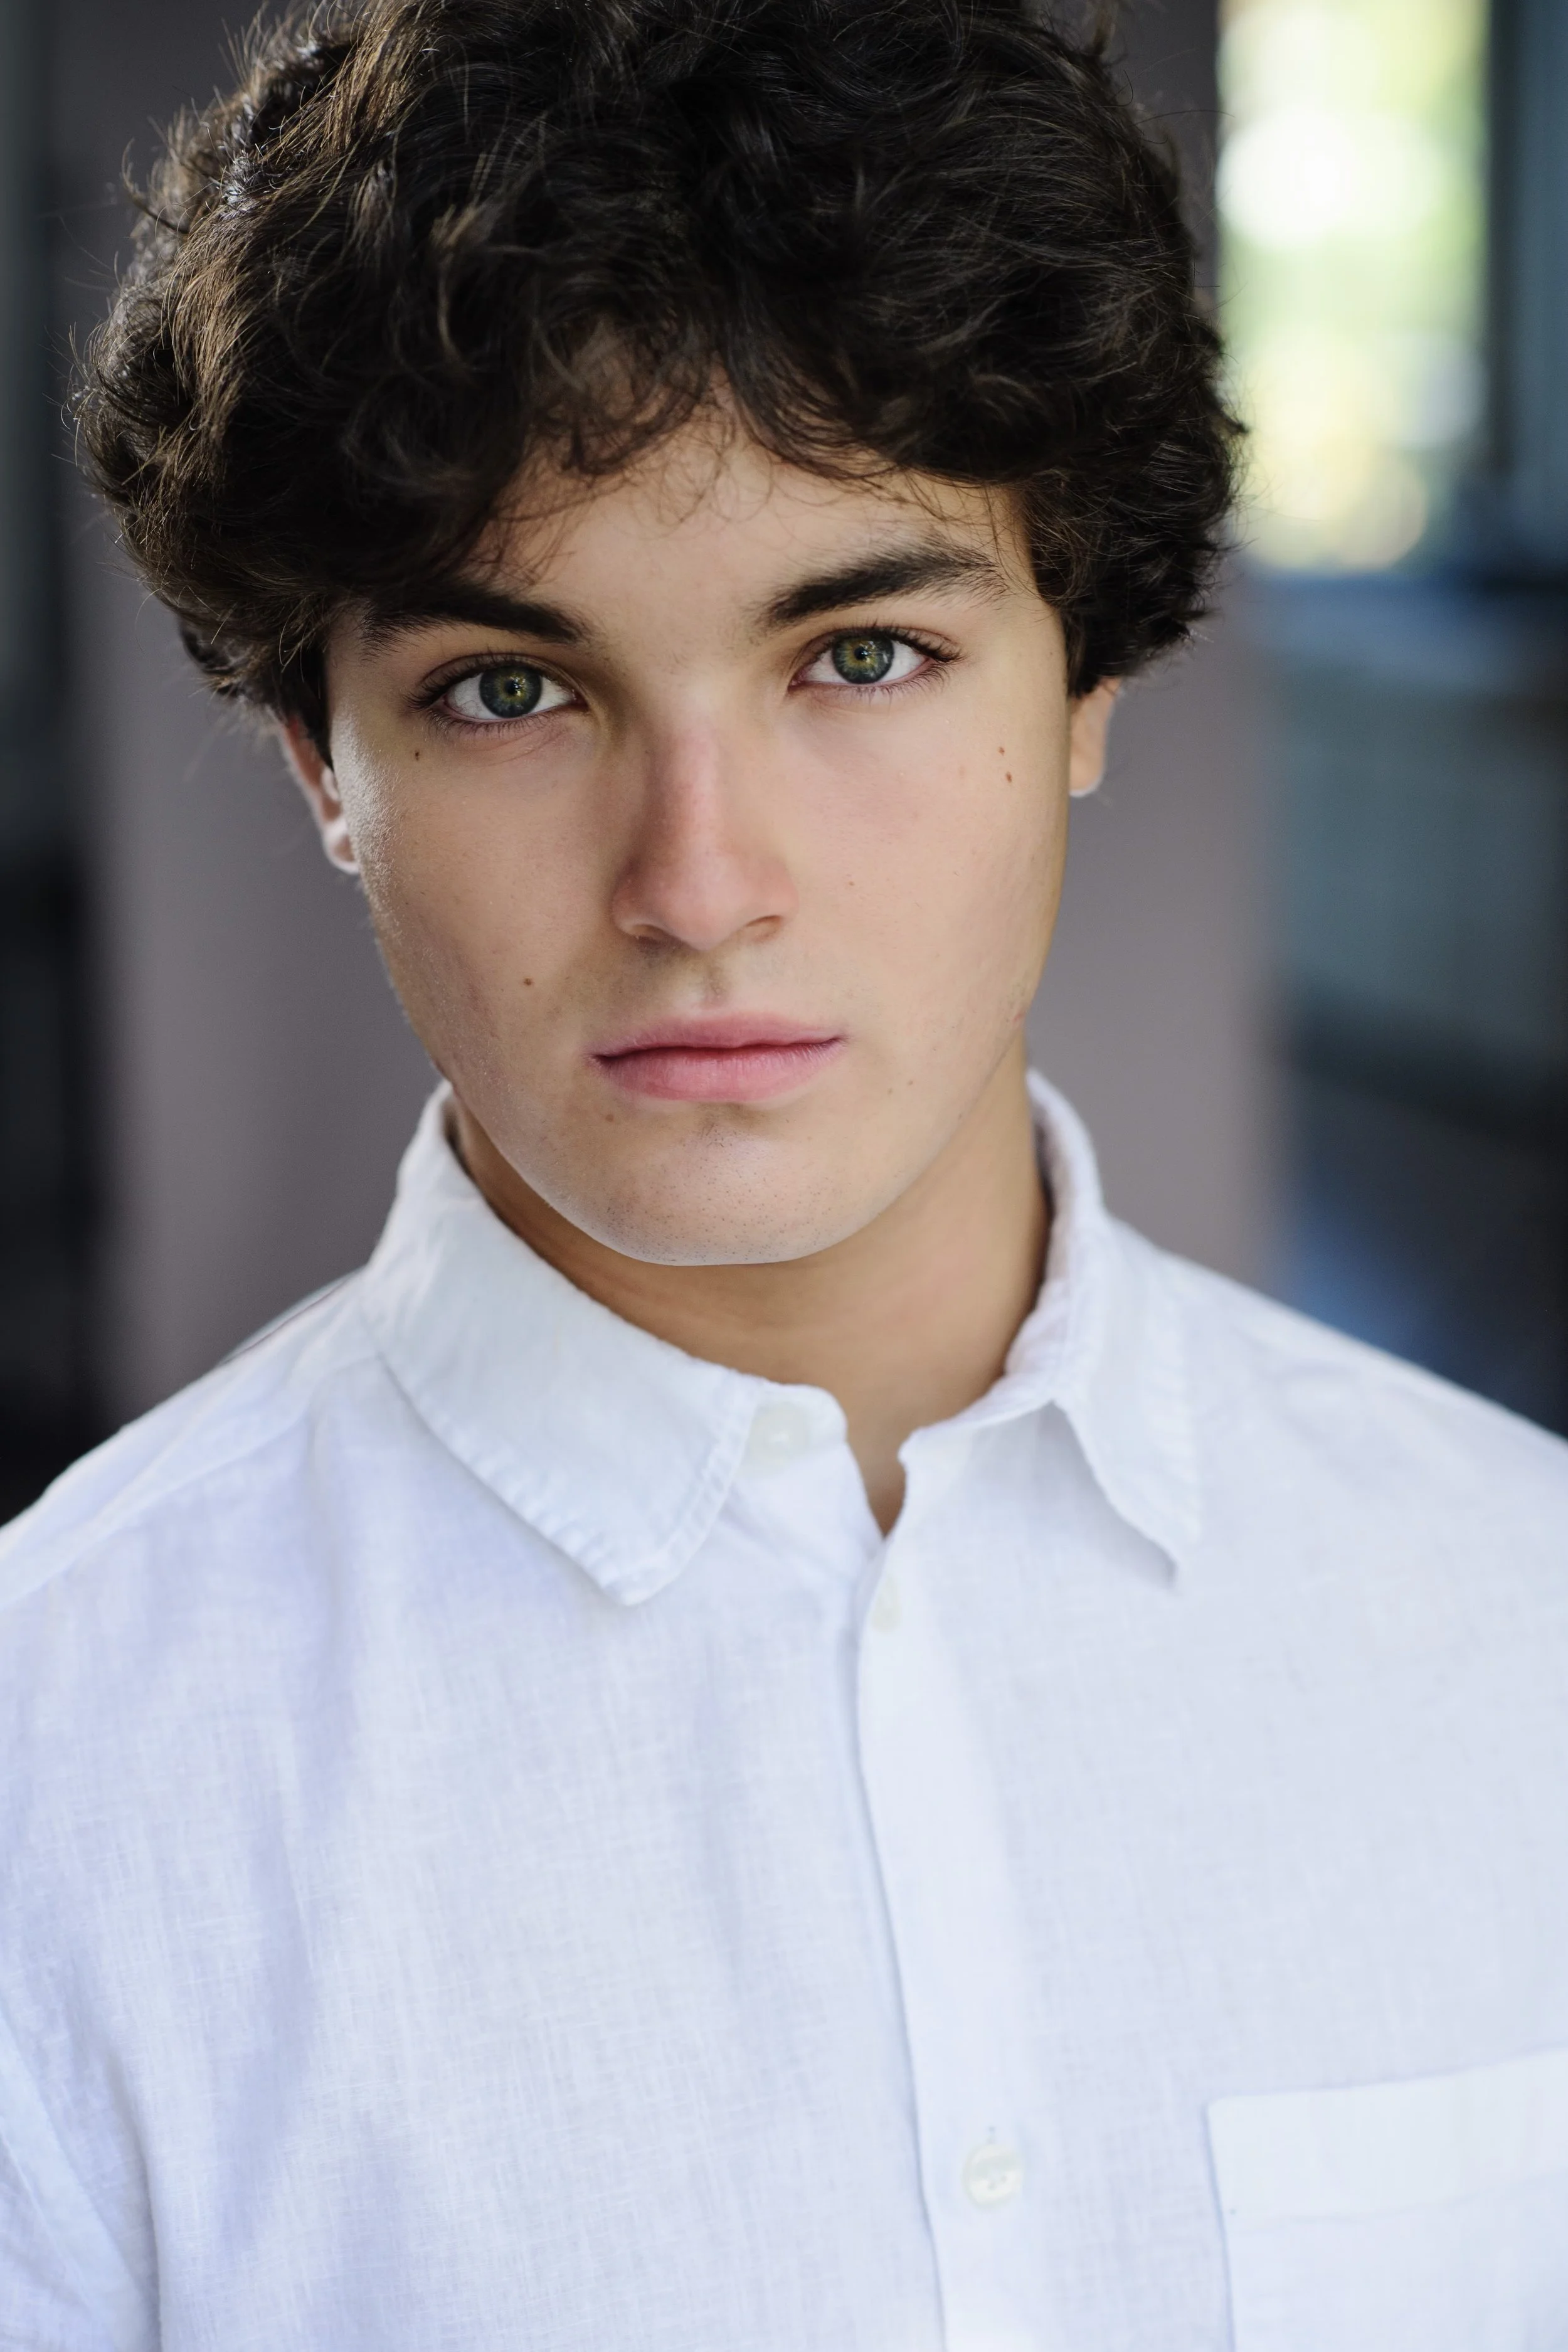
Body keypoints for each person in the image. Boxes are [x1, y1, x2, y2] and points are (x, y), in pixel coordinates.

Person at [4, 0, 1567, 2343]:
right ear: (320, 759)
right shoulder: (57, 1775)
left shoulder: (1523, 1619)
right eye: (510, 690)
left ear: (1087, 680)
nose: (700, 884)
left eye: (859, 655)